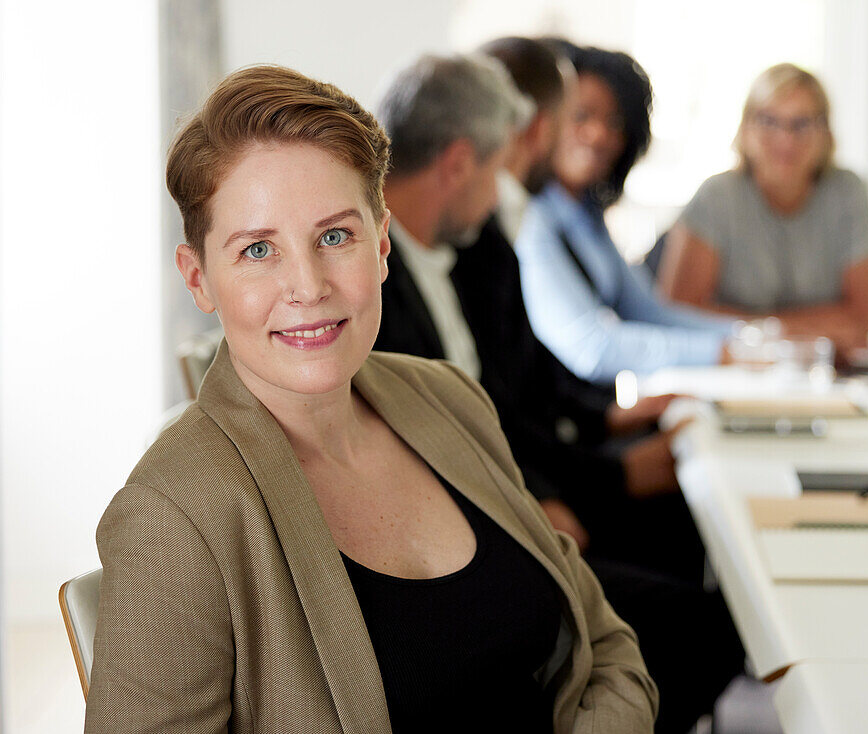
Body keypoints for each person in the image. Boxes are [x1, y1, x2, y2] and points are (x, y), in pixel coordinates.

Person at [86, 64, 657, 733]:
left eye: (335, 237)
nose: (307, 286)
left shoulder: (450, 401)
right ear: (200, 279)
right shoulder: (172, 516)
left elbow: (609, 652)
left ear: (381, 243)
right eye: (258, 249)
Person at [372, 45, 742, 733]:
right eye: (500, 168)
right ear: (459, 162)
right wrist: (570, 491)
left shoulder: (462, 250)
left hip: (512, 499)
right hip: (473, 535)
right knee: (706, 618)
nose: (511, 189)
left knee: (692, 549)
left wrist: (603, 441)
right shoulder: (374, 282)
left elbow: (502, 405)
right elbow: (445, 442)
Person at [514, 44, 743, 386]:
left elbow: (649, 313)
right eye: (582, 116)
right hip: (550, 426)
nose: (600, 135)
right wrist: (726, 354)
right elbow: (591, 349)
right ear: (548, 121)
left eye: (615, 122)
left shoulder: (587, 214)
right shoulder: (531, 220)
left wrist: (753, 339)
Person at [657, 63, 868, 355]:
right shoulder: (717, 197)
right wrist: (785, 334)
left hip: (817, 370)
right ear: (746, 128)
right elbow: (680, 314)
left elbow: (860, 318)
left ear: (825, 132)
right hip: (732, 366)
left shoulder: (847, 192)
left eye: (801, 124)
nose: (786, 139)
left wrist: (757, 330)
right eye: (769, 121)